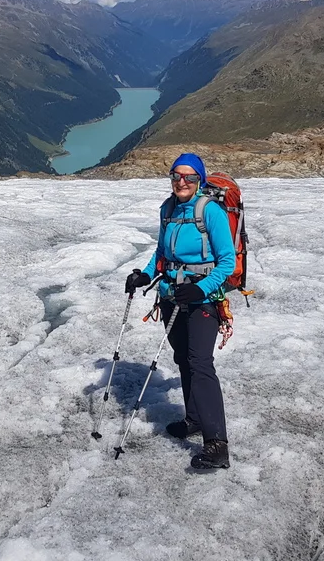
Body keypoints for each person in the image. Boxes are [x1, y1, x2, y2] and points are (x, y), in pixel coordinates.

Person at [125, 153, 237, 469]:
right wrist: (146, 275)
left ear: (199, 180)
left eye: (189, 177)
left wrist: (200, 288)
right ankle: (194, 418)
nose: (182, 182)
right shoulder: (168, 209)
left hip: (203, 299)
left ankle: (218, 444)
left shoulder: (210, 211)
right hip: (172, 296)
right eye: (176, 176)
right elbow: (161, 254)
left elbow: (226, 263)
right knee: (183, 358)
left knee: (200, 362)